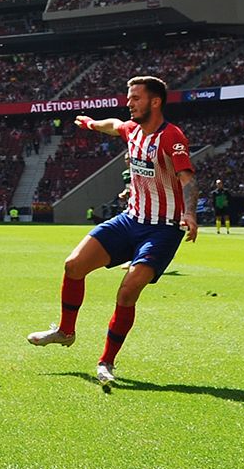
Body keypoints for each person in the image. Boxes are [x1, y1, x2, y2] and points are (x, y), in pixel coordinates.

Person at [27, 76, 195, 389]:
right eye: (129, 97)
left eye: (135, 98)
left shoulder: (172, 137)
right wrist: (91, 124)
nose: (129, 103)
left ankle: (106, 361)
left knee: (128, 291)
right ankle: (65, 331)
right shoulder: (132, 130)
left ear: (155, 102)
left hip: (162, 230)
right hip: (130, 220)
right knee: (73, 266)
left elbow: (187, 178)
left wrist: (189, 213)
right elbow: (113, 124)